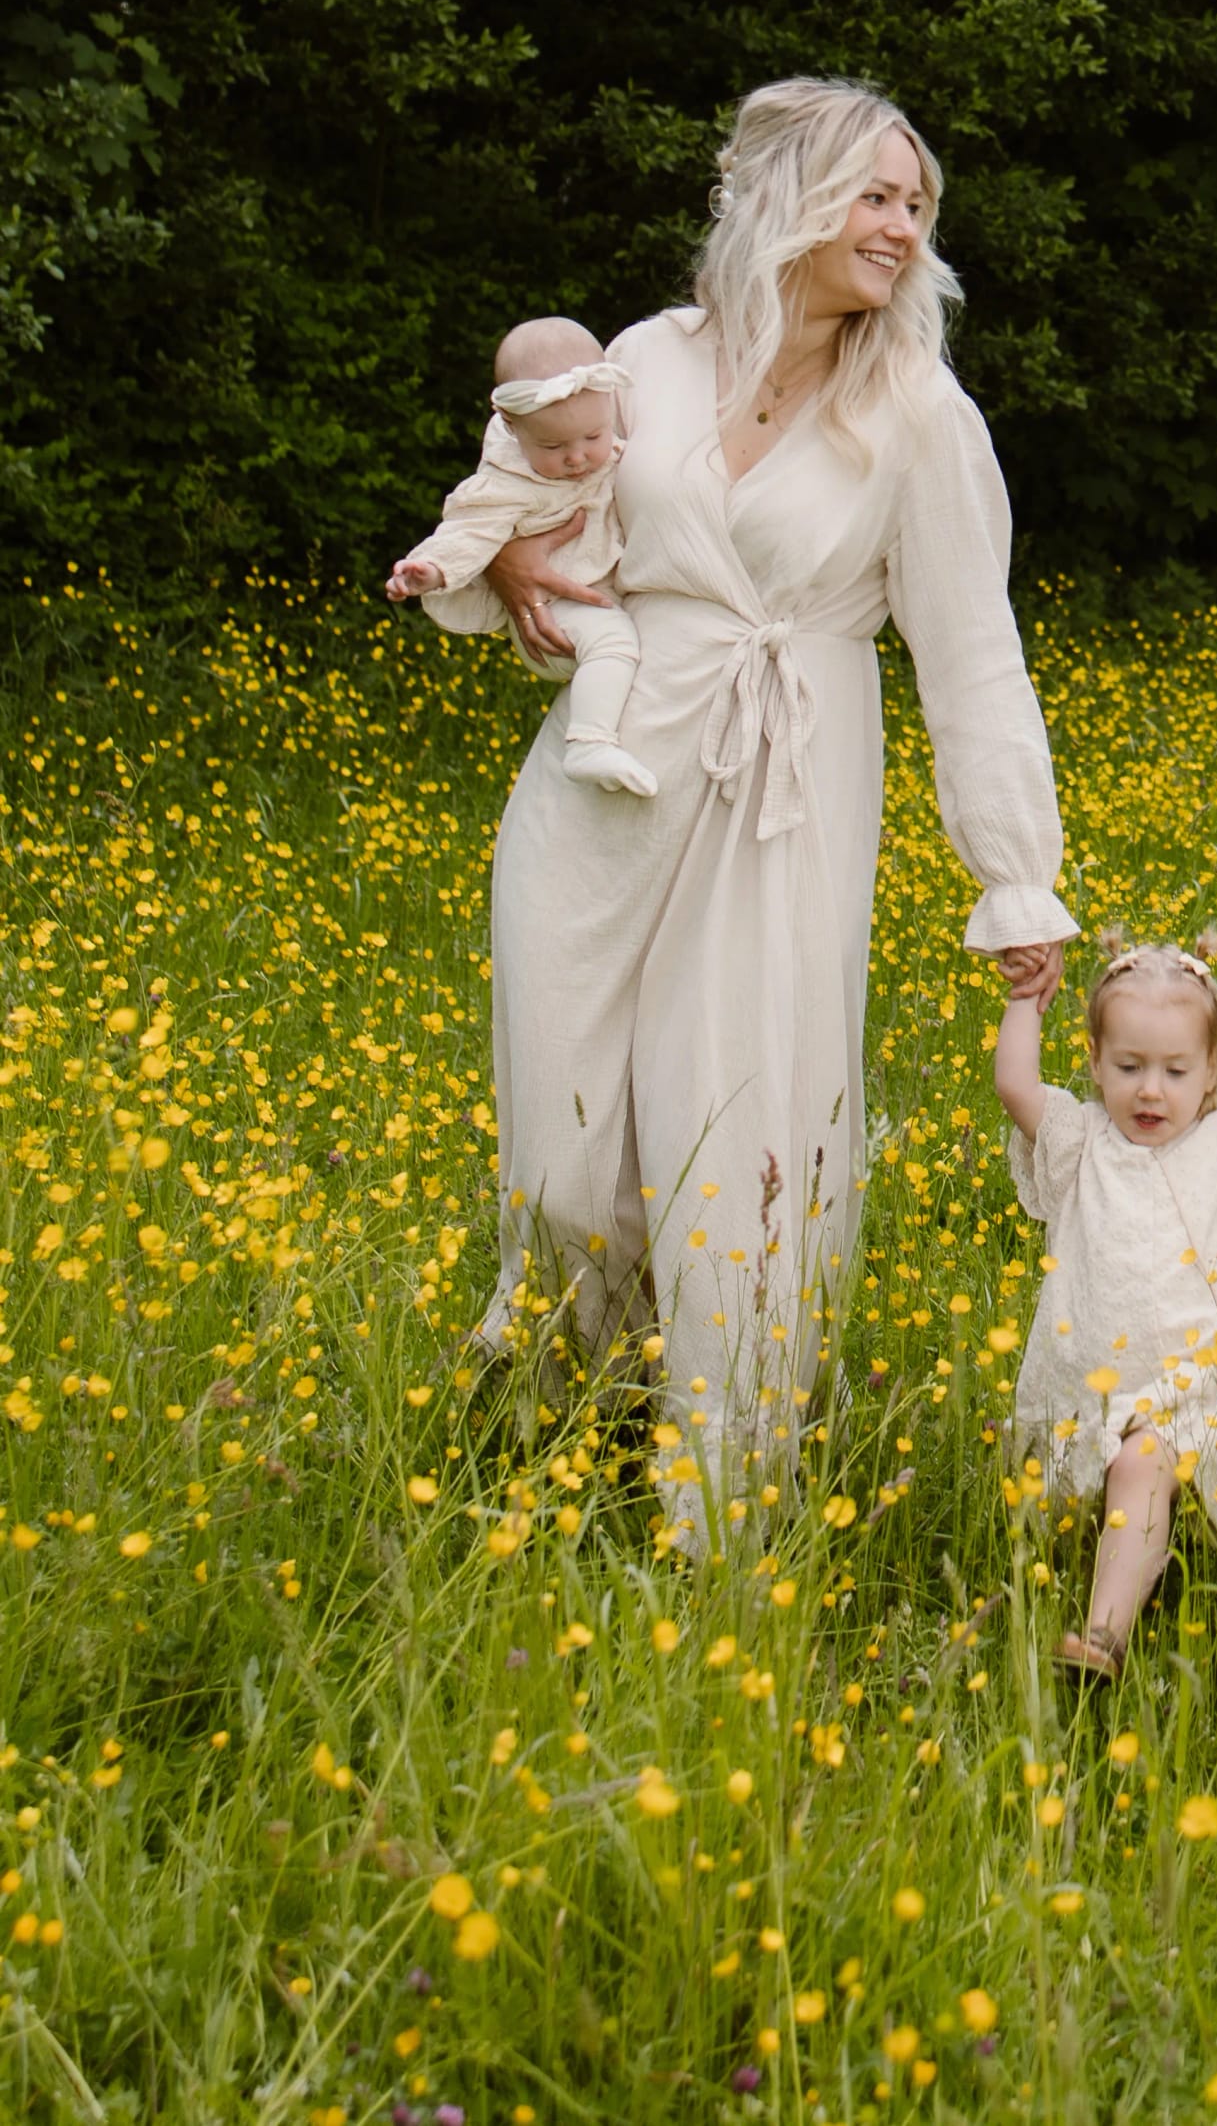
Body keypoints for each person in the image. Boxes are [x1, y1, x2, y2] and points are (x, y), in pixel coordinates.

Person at [472, 76, 1075, 1550]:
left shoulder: (917, 414)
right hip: (606, 782)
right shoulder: (646, 363)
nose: (900, 224)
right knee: (561, 1158)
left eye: (914, 203)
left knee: (740, 1126)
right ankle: (579, 1423)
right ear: (787, 199)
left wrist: (1016, 876)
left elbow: (971, 654)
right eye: (873, 193)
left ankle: (712, 1502)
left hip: (790, 792)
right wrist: (506, 577)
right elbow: (540, 506)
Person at [998, 938, 1217, 1677]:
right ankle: (1119, 1567)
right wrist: (1024, 998)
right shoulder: (1081, 1143)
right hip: (1084, 1391)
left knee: (1143, 1461)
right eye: (1128, 1068)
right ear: (1094, 1061)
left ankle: (1104, 1638)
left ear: (1212, 1071)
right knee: (1100, 1493)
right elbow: (1017, 1089)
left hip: (1188, 1399)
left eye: (1175, 1071)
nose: (1150, 1091)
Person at [387, 318, 655, 795]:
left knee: (635, 639)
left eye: (593, 437)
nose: (577, 458)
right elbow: (468, 530)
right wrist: (430, 570)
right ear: (513, 429)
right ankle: (589, 742)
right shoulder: (509, 482)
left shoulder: (611, 447)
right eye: (553, 446)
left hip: (601, 596)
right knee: (615, 641)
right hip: (551, 617)